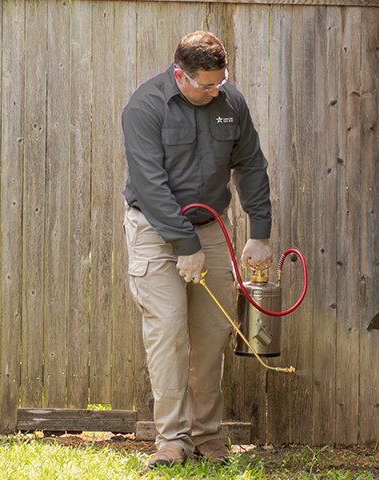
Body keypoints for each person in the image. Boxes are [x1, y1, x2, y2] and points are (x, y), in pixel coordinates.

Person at [121, 31, 273, 469]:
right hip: (154, 228)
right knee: (169, 332)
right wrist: (184, 245)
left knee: (211, 336)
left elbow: (251, 164)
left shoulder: (230, 104)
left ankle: (208, 436)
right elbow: (150, 185)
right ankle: (171, 441)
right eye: (206, 84)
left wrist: (259, 231)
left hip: (210, 228)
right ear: (179, 75)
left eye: (220, 82)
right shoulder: (145, 108)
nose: (215, 90)